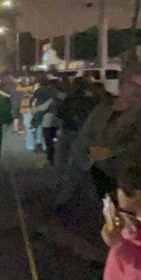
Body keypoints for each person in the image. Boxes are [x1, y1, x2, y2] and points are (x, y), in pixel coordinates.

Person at [56, 64, 141, 209]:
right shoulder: (104, 107)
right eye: (133, 84)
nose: (137, 90)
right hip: (94, 169)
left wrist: (110, 152)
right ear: (121, 84)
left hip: (123, 177)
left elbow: (136, 145)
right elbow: (85, 132)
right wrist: (90, 149)